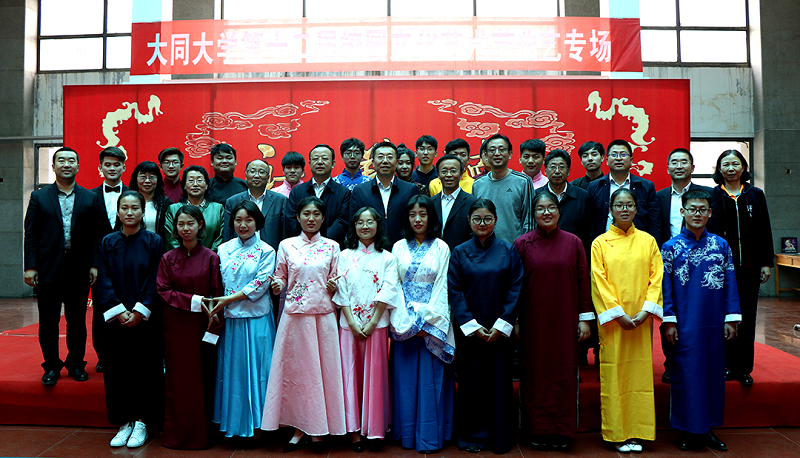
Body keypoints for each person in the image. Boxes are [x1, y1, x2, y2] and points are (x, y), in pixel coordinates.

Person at [261, 196, 346, 452]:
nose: (311, 218)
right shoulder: (286, 245)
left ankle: (318, 430)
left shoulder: (332, 247)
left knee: (322, 374)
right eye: (306, 214)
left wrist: (335, 285)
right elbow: (280, 277)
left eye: (316, 214)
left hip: (323, 317)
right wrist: (277, 285)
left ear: (323, 218)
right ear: (298, 217)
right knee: (297, 375)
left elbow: (338, 281)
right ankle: (298, 428)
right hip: (295, 318)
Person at [661, 189, 741, 452]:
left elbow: (730, 282)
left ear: (710, 213)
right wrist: (669, 320)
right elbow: (665, 288)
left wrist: (731, 317)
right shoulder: (670, 248)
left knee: (713, 374)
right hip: (685, 323)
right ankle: (688, 429)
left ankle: (707, 428)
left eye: (702, 209)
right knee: (687, 374)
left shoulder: (721, 245)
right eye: (692, 209)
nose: (697, 214)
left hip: (714, 322)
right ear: (682, 211)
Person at [514, 192, 594, 450]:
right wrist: (515, 320)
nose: (546, 212)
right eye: (540, 208)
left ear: (559, 212)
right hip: (533, 323)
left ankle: (562, 430)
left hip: (565, 320)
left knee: (564, 374)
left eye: (551, 208)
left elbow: (583, 281)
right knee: (535, 375)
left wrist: (584, 318)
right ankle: (537, 430)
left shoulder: (573, 242)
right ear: (533, 213)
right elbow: (515, 287)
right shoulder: (522, 244)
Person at [591, 188, 663, 453]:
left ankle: (638, 431)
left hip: (640, 321)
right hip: (615, 323)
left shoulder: (648, 241)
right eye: (619, 205)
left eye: (629, 205)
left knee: (639, 374)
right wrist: (617, 313)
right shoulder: (600, 243)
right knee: (615, 374)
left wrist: (646, 311)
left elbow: (656, 278)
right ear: (610, 209)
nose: (624, 209)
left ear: (636, 209)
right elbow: (599, 281)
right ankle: (616, 433)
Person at [449, 199, 523, 454]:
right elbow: (455, 291)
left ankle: (500, 438)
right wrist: (472, 326)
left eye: (487, 219)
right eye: (477, 219)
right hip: (471, 332)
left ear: (495, 221)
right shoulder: (459, 252)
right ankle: (472, 436)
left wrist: (502, 324)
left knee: (499, 384)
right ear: (469, 221)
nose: (482, 223)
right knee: (471, 383)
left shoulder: (508, 250)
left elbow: (516, 288)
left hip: (500, 331)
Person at [23, 147, 101, 385]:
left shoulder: (89, 197)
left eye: (71, 161)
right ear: (54, 166)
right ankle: (51, 366)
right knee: (48, 321)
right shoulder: (39, 197)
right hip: (48, 268)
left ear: (78, 166)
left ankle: (76, 364)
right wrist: (30, 266)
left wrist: (94, 264)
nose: (66, 164)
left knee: (77, 321)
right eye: (61, 160)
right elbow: (31, 234)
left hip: (78, 269)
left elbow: (96, 235)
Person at [95, 191, 165, 448]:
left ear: (143, 212)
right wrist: (118, 310)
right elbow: (103, 279)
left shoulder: (154, 241)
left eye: (135, 208)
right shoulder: (108, 242)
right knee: (117, 370)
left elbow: (156, 277)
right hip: (116, 321)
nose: (129, 212)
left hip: (144, 320)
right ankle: (124, 422)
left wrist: (139, 310)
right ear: (118, 212)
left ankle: (143, 422)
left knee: (146, 370)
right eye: (124, 208)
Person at [389, 195, 455, 453]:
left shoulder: (441, 247)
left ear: (431, 217)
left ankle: (431, 435)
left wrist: (426, 320)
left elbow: (442, 286)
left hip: (431, 324)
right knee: (404, 383)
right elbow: (393, 285)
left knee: (431, 382)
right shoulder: (397, 247)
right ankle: (405, 433)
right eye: (412, 214)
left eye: (423, 214)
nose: (417, 219)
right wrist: (407, 320)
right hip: (404, 323)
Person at [156, 205, 224, 449]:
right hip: (175, 327)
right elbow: (163, 291)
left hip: (201, 327)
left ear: (200, 226)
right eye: (181, 224)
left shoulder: (211, 257)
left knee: (201, 379)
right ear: (175, 228)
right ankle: (176, 435)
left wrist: (213, 330)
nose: (185, 228)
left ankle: (201, 435)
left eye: (190, 223)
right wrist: (195, 300)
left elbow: (216, 297)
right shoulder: (167, 258)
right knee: (177, 380)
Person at [333, 207, 401, 452]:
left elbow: (389, 289)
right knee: (349, 376)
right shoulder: (344, 255)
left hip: (377, 325)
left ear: (377, 225)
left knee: (376, 378)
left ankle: (374, 429)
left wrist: (372, 322)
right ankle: (353, 431)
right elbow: (341, 289)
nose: (365, 226)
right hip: (348, 325)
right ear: (354, 226)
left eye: (370, 221)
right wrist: (352, 322)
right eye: (360, 222)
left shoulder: (387, 258)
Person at [707, 149, 774, 387]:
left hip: (749, 267)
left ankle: (744, 367)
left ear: (743, 167)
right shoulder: (713, 195)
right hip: (721, 270)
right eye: (726, 164)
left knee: (747, 317)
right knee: (723, 316)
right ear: (719, 169)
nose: (731, 168)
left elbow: (764, 228)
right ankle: (727, 364)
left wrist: (766, 262)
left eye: (735, 164)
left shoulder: (755, 194)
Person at [212, 200, 277, 439]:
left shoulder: (267, 250)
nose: (243, 225)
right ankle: (235, 423)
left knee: (260, 371)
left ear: (257, 222)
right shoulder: (223, 249)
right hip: (231, 319)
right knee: (234, 372)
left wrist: (228, 299)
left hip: (257, 317)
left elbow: (260, 284)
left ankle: (261, 425)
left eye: (248, 220)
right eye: (238, 220)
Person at [655, 148, 712, 383]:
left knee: (699, 313)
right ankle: (671, 363)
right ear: (668, 167)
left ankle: (701, 361)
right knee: (669, 312)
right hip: (668, 262)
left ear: (692, 167)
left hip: (700, 264)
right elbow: (656, 228)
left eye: (684, 162)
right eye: (674, 162)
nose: (679, 166)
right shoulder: (658, 196)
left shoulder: (707, 194)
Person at [90, 146, 128, 372]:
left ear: (124, 167)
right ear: (100, 168)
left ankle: (125, 352)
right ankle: (103, 355)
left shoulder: (133, 194)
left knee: (128, 305)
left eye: (116, 164)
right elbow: (88, 234)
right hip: (100, 264)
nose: (112, 168)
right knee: (101, 310)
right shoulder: (89, 196)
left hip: (128, 263)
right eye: (108, 165)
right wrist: (93, 264)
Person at [587, 139, 661, 242]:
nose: (618, 158)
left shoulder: (646, 186)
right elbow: (589, 222)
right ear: (607, 160)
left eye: (623, 154)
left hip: (637, 244)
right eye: (614, 155)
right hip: (604, 244)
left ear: (631, 160)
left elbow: (654, 222)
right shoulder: (594, 186)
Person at [350, 141, 421, 246]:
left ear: (396, 162)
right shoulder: (360, 191)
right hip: (371, 249)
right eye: (380, 157)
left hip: (403, 248)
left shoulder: (410, 190)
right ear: (373, 162)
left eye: (390, 157)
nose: (385, 161)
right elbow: (352, 223)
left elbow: (416, 220)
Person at [472, 133, 534, 244]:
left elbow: (529, 221)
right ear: (486, 155)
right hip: (484, 248)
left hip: (515, 248)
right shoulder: (477, 184)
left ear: (510, 154)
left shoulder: (523, 181)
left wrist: (524, 246)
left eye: (502, 149)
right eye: (492, 150)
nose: (497, 153)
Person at [285, 144, 351, 244]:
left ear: (333, 163)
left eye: (325, 158)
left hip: (331, 247)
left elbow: (342, 222)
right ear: (310, 163)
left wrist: (321, 243)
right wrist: (305, 241)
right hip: (300, 246)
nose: (320, 162)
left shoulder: (344, 192)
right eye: (315, 159)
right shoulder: (297, 191)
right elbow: (291, 220)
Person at [223, 159, 287, 251]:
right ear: (246, 175)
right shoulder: (233, 201)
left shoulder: (281, 201)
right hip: (239, 255)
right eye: (252, 171)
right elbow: (227, 235)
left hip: (271, 255)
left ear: (268, 177)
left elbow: (284, 234)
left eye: (261, 172)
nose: (256, 175)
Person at [534, 149, 592, 250]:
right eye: (553, 167)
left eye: (561, 167)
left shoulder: (583, 197)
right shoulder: (536, 195)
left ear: (568, 171)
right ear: (545, 170)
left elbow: (589, 233)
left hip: (573, 252)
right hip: (542, 250)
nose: (557, 171)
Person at [163, 165, 224, 251]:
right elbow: (171, 239)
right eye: (191, 180)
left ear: (207, 185)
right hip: (180, 258)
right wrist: (185, 256)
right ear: (184, 185)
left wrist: (209, 256)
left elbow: (221, 237)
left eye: (199, 180)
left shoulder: (218, 209)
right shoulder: (173, 209)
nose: (195, 184)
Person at [431, 154, 477, 250]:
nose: (449, 175)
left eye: (453, 171)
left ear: (461, 174)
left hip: (462, 255)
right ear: (438, 174)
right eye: (444, 171)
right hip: (435, 255)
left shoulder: (472, 203)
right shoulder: (431, 202)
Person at [128, 161, 173, 242]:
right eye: (143, 177)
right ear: (135, 178)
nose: (147, 181)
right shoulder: (127, 202)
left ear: (158, 179)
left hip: (158, 246)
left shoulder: (166, 203)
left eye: (152, 177)